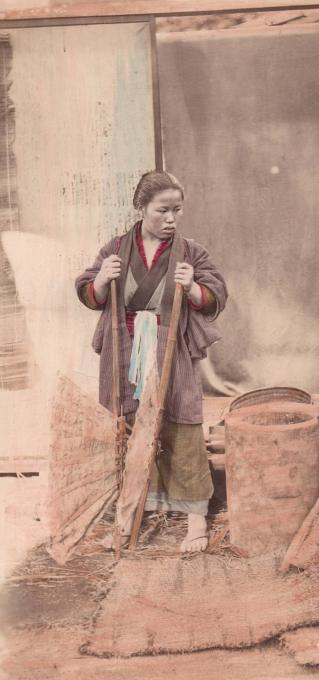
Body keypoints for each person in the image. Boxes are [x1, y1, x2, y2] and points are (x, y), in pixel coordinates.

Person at [75, 170, 228, 553]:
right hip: (124, 347)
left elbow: (216, 296)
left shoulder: (190, 251)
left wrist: (193, 286)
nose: (172, 218)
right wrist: (99, 282)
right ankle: (128, 516)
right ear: (142, 208)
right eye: (163, 210)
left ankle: (195, 522)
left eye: (177, 210)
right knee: (125, 428)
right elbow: (88, 291)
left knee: (183, 426)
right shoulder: (116, 247)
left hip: (169, 345)